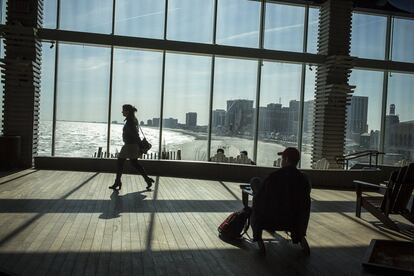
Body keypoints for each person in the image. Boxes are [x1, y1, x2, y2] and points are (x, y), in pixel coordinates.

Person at [250, 147, 311, 254]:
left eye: (282, 158)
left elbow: (260, 200)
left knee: (255, 182)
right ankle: (299, 237)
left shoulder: (274, 177)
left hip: (271, 219)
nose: (281, 161)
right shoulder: (303, 180)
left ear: (286, 160)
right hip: (294, 221)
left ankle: (258, 238)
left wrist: (256, 195)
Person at [109, 104, 155, 191]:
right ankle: (147, 180)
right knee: (134, 163)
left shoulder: (130, 121)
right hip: (132, 145)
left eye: (123, 110)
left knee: (120, 162)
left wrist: (140, 145)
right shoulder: (133, 120)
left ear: (127, 111)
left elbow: (135, 134)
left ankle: (117, 182)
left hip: (130, 145)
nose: (122, 112)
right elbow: (135, 134)